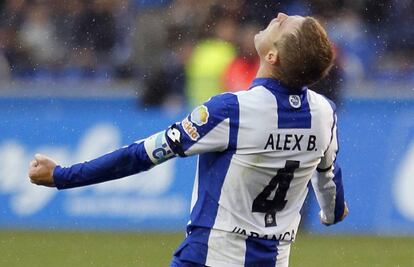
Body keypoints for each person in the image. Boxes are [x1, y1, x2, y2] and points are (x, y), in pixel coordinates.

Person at [28, 12, 348, 267]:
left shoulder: (231, 110)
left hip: (210, 255)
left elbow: (142, 155)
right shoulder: (324, 114)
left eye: (284, 25)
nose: (278, 15)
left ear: (274, 56)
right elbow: (329, 177)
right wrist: (330, 214)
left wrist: (62, 176)